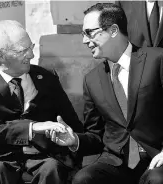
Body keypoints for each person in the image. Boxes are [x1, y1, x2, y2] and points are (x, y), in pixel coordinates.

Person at [47, 3, 163, 184]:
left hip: (157, 158)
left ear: (114, 30)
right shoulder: (92, 80)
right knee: (83, 179)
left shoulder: (157, 60)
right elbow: (96, 135)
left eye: (89, 32)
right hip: (116, 163)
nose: (85, 40)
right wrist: (74, 140)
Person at [0, 20, 83, 184]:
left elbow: (71, 122)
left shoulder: (45, 78)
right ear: (0, 55)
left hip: (43, 157)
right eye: (22, 51)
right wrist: (32, 127)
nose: (31, 55)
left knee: (52, 168)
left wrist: (68, 138)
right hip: (0, 157)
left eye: (31, 47)